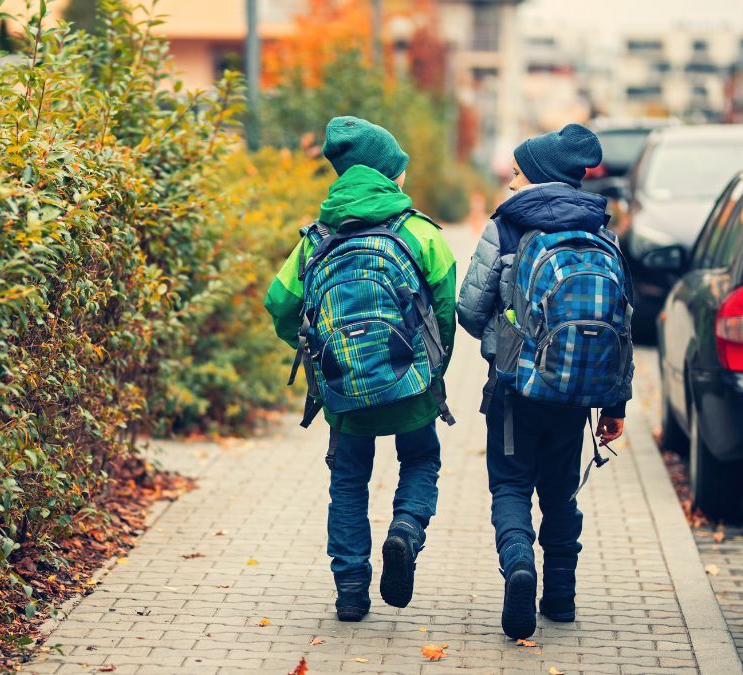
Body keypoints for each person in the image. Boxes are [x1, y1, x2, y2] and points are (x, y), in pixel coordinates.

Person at [264, 117, 456, 621]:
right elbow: (446, 311)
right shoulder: (419, 232)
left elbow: (279, 304)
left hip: (343, 388)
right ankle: (405, 532)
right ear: (388, 173)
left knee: (348, 481)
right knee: (420, 461)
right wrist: (433, 372)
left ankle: (351, 590)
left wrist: (323, 356)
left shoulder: (315, 239)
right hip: (410, 385)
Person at [457, 123, 633, 639]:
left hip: (515, 386)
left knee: (510, 482)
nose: (511, 184)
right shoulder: (601, 229)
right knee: (560, 493)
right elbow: (619, 323)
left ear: (537, 175)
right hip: (576, 394)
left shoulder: (507, 225)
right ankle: (560, 597)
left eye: (517, 173)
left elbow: (469, 309)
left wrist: (505, 343)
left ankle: (518, 566)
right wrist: (614, 404)